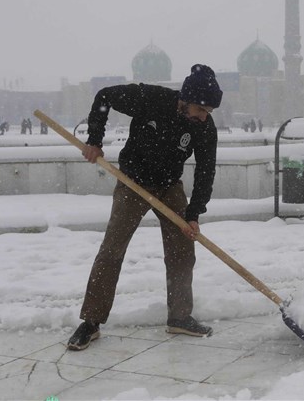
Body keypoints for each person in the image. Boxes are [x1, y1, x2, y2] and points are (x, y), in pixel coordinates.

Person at [67, 64, 223, 351]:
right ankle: (91, 321)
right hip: (133, 183)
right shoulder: (150, 98)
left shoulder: (204, 127)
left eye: (208, 112)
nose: (204, 117)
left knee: (182, 251)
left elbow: (206, 171)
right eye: (200, 109)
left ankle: (180, 317)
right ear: (185, 99)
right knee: (112, 250)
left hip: (169, 186)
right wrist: (95, 140)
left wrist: (194, 214)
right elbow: (104, 96)